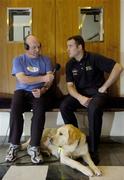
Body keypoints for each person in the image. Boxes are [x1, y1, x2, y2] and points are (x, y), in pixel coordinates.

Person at [60, 35, 123, 165]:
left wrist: (105, 86)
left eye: (70, 46)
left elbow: (118, 67)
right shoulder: (70, 64)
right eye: (68, 46)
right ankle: (76, 142)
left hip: (97, 94)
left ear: (80, 47)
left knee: (93, 109)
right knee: (64, 106)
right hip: (80, 94)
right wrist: (80, 97)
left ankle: (93, 150)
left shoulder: (94, 58)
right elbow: (70, 87)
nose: (68, 49)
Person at [5, 34, 54, 164]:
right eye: (33, 48)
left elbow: (50, 81)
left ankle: (34, 147)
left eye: (39, 47)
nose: (37, 50)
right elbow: (23, 79)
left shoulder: (46, 60)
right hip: (21, 91)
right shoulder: (18, 60)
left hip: (39, 91)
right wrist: (43, 78)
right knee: (15, 109)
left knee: (39, 111)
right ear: (26, 48)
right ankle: (14, 145)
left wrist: (43, 89)